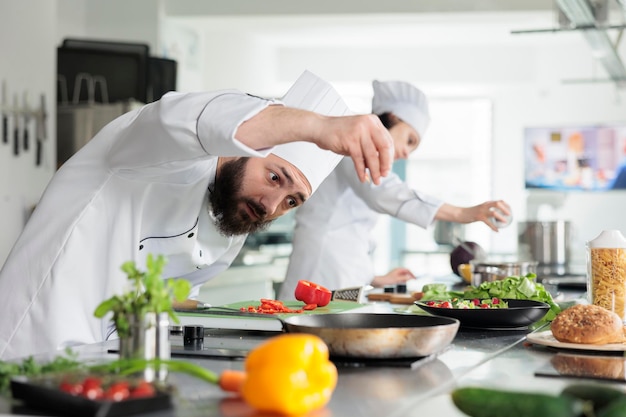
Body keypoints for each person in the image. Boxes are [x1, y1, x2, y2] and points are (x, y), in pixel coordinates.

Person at [0, 71, 394, 360]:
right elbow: (188, 116)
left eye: (292, 201)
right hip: (30, 342)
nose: (272, 206)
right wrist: (316, 126)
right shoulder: (158, 150)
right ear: (243, 143)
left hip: (106, 365)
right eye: (275, 177)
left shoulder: (229, 224)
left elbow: (176, 300)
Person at [279, 79, 511, 299]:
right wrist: (463, 213)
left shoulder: (366, 153)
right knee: (304, 335)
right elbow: (385, 193)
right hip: (321, 269)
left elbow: (350, 229)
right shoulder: (355, 139)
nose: (407, 153)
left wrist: (376, 278)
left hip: (341, 270)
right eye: (410, 140)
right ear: (391, 117)